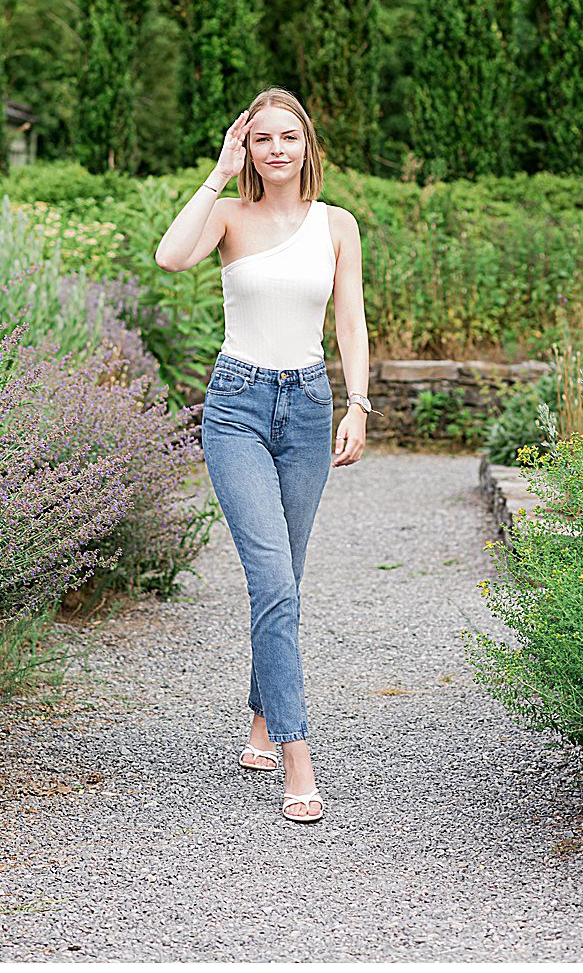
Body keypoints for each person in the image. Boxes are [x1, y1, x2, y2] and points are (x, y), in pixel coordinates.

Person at [152, 87, 371, 825]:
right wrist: (216, 172)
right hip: (237, 407)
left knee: (288, 579)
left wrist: (359, 404)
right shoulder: (228, 215)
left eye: (289, 137)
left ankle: (259, 721)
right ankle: (297, 754)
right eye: (261, 139)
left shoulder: (337, 226)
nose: (276, 149)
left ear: (308, 146)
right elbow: (169, 256)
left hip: (308, 408)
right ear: (246, 148)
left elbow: (349, 319)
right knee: (273, 581)